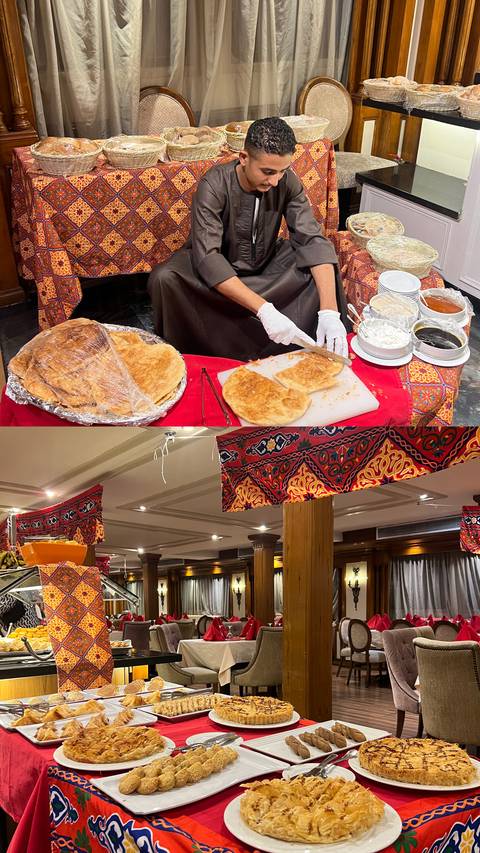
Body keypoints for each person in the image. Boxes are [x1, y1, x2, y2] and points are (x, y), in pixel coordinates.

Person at [148, 116, 349, 360]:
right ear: (244, 158)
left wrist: (329, 312)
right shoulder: (213, 185)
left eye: (282, 172)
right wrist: (264, 309)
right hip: (217, 274)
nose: (275, 181)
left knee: (321, 265)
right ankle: (201, 355)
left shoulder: (287, 182)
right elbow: (208, 258)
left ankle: (312, 343)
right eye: (267, 172)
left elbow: (313, 241)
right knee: (164, 278)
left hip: (266, 266)